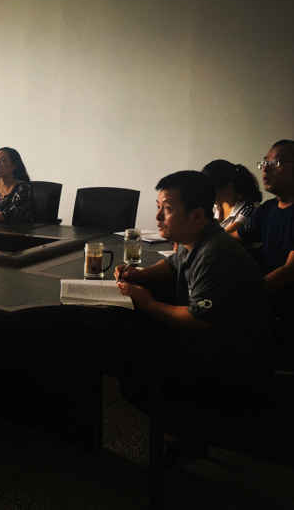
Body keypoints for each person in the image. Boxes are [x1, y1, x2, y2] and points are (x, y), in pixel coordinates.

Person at [115, 170, 270, 472]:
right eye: (158, 206)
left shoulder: (215, 252)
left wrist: (148, 302)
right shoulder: (198, 239)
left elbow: (198, 320)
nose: (158, 216)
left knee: (137, 375)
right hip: (212, 347)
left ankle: (182, 436)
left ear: (197, 214)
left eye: (168, 209)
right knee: (136, 342)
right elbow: (175, 263)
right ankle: (182, 431)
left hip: (233, 369)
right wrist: (142, 275)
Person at [235, 139, 294, 322]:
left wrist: (246, 295)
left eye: (277, 162)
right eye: (265, 162)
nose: (265, 169)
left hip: (284, 304)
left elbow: (290, 271)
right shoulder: (267, 209)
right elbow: (233, 240)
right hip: (265, 294)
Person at [201, 159, 262, 236]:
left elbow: (221, 237)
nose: (207, 195)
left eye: (210, 190)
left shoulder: (250, 208)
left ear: (228, 187)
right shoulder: (216, 206)